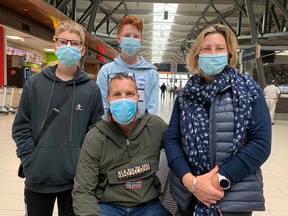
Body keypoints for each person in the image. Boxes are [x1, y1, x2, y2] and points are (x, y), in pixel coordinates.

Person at [164, 24, 271, 216]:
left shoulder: (248, 90)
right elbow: (172, 140)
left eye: (219, 48)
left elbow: (261, 144)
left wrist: (218, 181)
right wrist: (192, 182)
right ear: (197, 54)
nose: (213, 54)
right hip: (189, 195)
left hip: (233, 197)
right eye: (206, 49)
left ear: (229, 53)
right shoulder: (186, 95)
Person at [12, 20, 104, 216]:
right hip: (38, 178)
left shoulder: (91, 89)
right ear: (55, 46)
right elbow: (21, 127)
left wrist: (85, 168)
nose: (68, 47)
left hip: (76, 181)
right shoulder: (35, 84)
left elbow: (95, 134)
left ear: (82, 50)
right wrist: (30, 161)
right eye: (63, 42)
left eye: (75, 43)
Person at [72, 72, 171, 216]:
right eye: (117, 94)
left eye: (129, 94)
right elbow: (83, 190)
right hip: (108, 206)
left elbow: (177, 147)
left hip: (148, 206)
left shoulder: (155, 127)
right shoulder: (96, 137)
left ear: (138, 97)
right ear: (108, 99)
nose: (123, 99)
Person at [97, 15, 159, 114]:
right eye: (127, 35)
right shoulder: (106, 71)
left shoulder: (151, 73)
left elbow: (153, 109)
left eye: (136, 36)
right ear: (118, 39)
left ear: (140, 40)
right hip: (112, 128)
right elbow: (102, 106)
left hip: (142, 128)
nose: (131, 40)